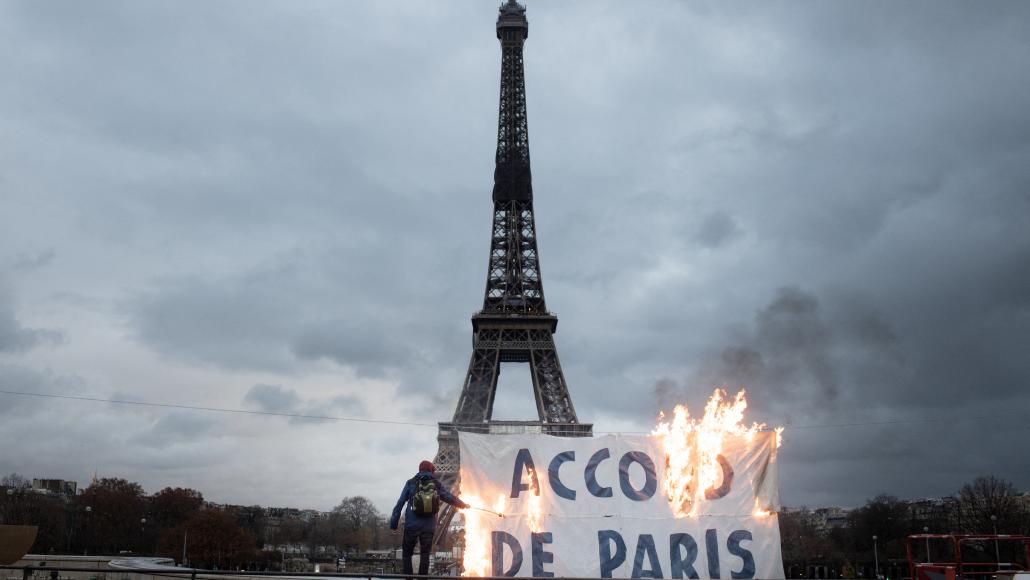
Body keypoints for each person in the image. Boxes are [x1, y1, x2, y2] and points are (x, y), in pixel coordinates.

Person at [389, 460, 469, 577]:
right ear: (432, 470)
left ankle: (408, 578)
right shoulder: (436, 484)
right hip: (428, 527)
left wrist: (393, 524)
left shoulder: (411, 483)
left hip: (411, 526)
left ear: (420, 469)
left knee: (407, 554)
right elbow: (449, 497)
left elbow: (400, 503)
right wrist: (463, 504)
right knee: (425, 555)